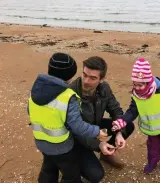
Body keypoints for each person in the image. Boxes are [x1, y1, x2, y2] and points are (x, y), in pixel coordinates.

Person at [27, 52, 108, 183]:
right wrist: (97, 131)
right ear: (70, 77)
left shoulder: (36, 90)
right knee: (71, 174)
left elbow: (30, 111)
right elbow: (77, 126)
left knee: (48, 169)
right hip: (62, 147)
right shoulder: (68, 96)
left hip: (41, 142)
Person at [70, 56, 135, 182]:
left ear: (101, 79)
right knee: (96, 175)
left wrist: (119, 133)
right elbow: (75, 129)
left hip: (96, 128)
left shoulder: (104, 88)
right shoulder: (71, 93)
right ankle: (68, 163)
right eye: (85, 75)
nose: (86, 81)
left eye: (93, 78)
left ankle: (106, 154)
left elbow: (116, 111)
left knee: (128, 125)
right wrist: (99, 144)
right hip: (76, 138)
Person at [111, 58, 160, 174]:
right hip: (151, 129)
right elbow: (133, 111)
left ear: (148, 82)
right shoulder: (136, 95)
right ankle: (152, 162)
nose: (137, 88)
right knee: (152, 148)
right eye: (134, 84)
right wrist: (122, 121)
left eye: (140, 85)